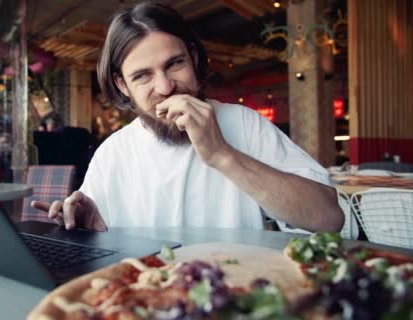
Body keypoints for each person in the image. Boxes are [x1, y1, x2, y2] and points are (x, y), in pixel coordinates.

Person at [32, 2, 343, 233]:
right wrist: (89, 230)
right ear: (122, 85)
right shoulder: (112, 153)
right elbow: (105, 240)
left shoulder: (245, 124)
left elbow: (329, 218)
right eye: (142, 76)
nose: (166, 87)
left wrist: (223, 154)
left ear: (193, 59)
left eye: (175, 64)